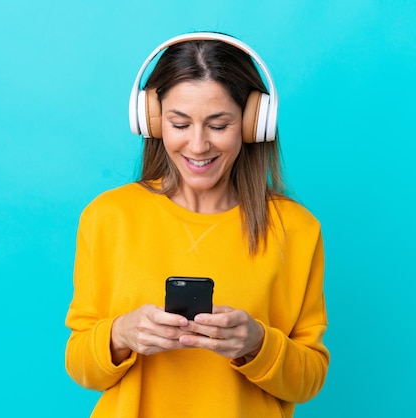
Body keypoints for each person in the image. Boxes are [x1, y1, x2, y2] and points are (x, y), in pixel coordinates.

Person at [64, 32, 329, 418]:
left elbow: (309, 381)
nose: (198, 145)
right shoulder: (108, 217)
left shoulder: (296, 229)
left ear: (253, 124)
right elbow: (80, 366)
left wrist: (257, 343)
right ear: (152, 121)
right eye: (180, 123)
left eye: (218, 125)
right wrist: (120, 334)